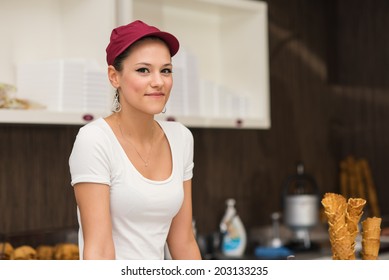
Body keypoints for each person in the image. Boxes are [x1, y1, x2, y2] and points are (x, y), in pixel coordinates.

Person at [69, 20, 201, 260]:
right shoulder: (95, 140)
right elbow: (99, 251)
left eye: (166, 70)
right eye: (143, 70)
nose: (158, 81)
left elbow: (183, 242)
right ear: (114, 77)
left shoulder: (180, 137)